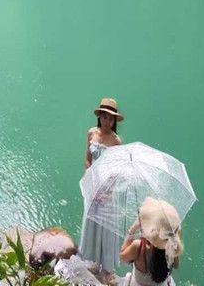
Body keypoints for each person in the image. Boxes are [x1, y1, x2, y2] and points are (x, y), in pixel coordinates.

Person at [78, 98, 124, 283]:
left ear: (114, 122)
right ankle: (93, 261)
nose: (107, 122)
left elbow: (117, 171)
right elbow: (88, 159)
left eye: (110, 119)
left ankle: (106, 268)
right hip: (93, 184)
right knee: (91, 222)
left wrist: (107, 192)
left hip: (107, 189)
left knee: (106, 227)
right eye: (105, 118)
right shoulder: (91, 133)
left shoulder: (116, 141)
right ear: (100, 118)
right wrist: (90, 178)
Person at [120, 198, 183, 285]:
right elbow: (176, 265)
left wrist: (132, 230)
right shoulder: (172, 245)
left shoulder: (138, 246)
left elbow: (122, 258)